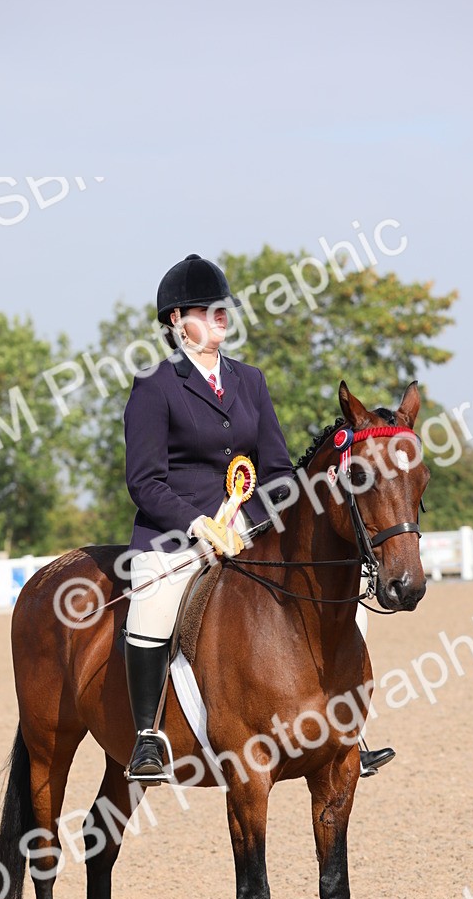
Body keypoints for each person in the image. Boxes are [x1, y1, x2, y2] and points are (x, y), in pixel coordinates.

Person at [122, 253, 394, 784]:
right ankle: (146, 737)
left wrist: (250, 520)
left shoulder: (250, 381)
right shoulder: (156, 385)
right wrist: (199, 524)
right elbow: (145, 481)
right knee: (151, 601)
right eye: (208, 309)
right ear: (177, 320)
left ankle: (347, 728)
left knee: (342, 602)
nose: (220, 317)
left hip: (248, 532)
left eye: (224, 309)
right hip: (178, 536)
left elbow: (276, 469)